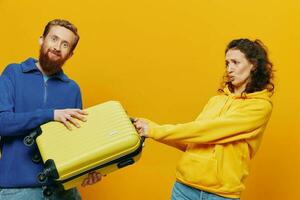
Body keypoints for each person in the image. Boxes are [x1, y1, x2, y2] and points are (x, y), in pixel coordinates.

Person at [133, 39, 274, 200]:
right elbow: (192, 141)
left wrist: (156, 130)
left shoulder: (260, 107)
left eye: (235, 62)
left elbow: (210, 131)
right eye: (227, 63)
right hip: (184, 187)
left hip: (221, 195)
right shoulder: (216, 101)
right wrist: (151, 130)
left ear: (253, 65)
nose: (229, 69)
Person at [0, 19, 100, 200]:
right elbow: (2, 123)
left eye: (65, 44)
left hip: (64, 192)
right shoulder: (13, 74)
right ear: (41, 40)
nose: (57, 47)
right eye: (54, 39)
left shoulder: (72, 89)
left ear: (70, 54)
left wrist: (89, 171)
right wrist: (51, 115)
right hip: (17, 191)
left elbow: (76, 143)